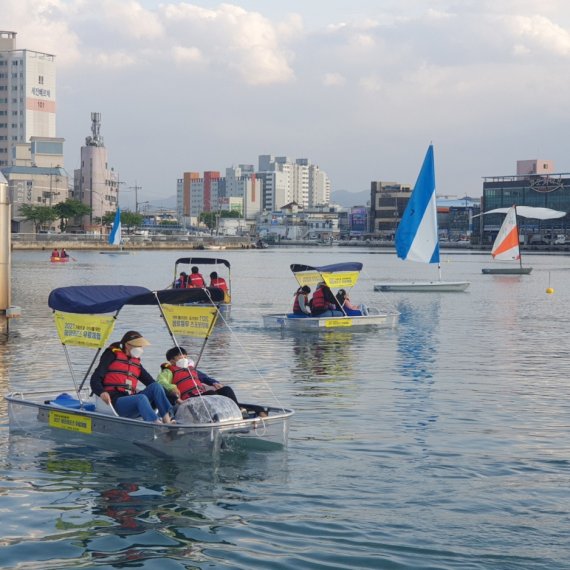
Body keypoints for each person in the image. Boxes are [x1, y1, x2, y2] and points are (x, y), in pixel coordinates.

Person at [90, 330, 175, 424]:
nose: (141, 349)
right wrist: (101, 392)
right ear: (127, 345)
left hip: (132, 402)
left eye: (141, 346)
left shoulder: (136, 363)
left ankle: (167, 421)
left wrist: (174, 397)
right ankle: (155, 424)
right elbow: (95, 378)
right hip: (115, 403)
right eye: (138, 346)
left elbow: (150, 382)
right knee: (141, 397)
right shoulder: (111, 355)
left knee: (156, 386)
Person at [157, 346, 239, 406]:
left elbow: (204, 377)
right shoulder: (169, 371)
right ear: (172, 361)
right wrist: (172, 388)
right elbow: (161, 381)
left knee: (226, 389)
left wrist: (214, 382)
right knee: (211, 393)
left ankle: (238, 410)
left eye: (186, 357)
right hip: (189, 398)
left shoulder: (190, 369)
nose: (185, 359)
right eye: (181, 358)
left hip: (201, 393)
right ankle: (217, 414)